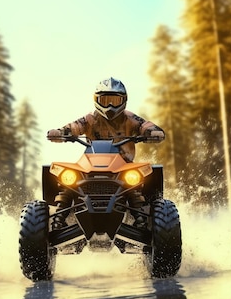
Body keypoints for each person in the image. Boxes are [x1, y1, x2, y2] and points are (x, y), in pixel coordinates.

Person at [47, 76, 165, 229]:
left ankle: (142, 223)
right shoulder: (90, 119)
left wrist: (151, 132)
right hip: (91, 165)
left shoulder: (129, 118)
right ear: (97, 100)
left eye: (114, 101)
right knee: (67, 184)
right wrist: (61, 132)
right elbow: (75, 126)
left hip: (123, 167)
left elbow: (145, 125)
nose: (110, 106)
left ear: (123, 100)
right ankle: (57, 222)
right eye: (105, 100)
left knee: (137, 186)